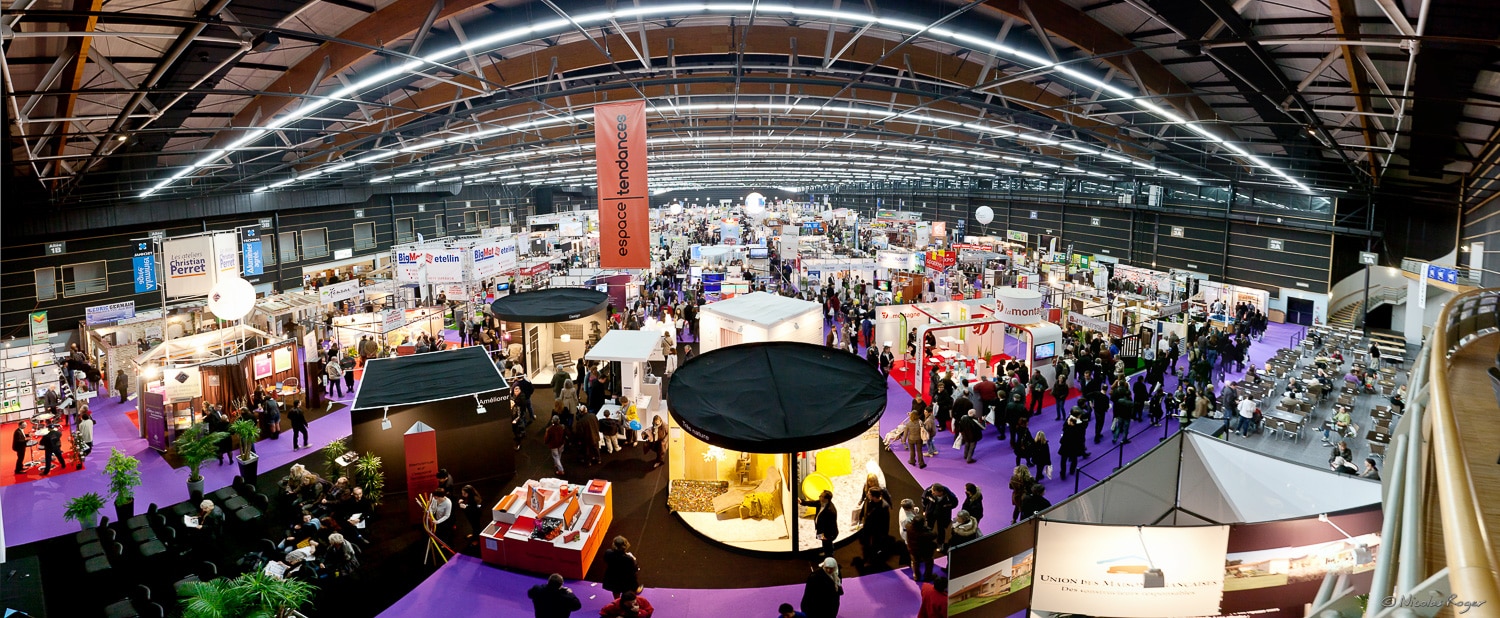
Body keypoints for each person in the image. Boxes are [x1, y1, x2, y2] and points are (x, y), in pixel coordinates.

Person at [800, 490, 838, 558]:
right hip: (821, 530)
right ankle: (827, 552)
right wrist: (802, 502)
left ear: (826, 499)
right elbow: (812, 503)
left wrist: (828, 537)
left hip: (828, 533)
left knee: (827, 543)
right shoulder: (820, 502)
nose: (819, 497)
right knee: (824, 543)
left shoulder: (831, 511)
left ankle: (829, 557)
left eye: (821, 496)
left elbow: (831, 525)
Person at [905, 512, 936, 583]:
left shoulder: (908, 527)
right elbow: (934, 534)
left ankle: (917, 576)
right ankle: (928, 577)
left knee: (916, 563)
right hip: (925, 551)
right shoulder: (925, 534)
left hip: (913, 549)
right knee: (929, 563)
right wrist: (926, 527)